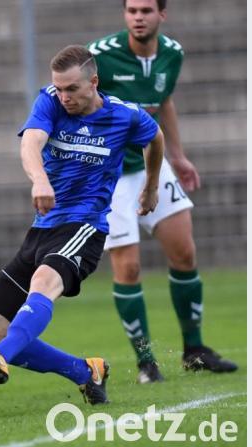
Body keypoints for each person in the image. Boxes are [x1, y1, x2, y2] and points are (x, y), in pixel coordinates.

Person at [0, 45, 164, 405]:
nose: (64, 96)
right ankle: (86, 371)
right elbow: (31, 145)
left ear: (94, 82)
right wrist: (39, 179)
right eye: (59, 88)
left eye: (72, 89)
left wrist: (150, 187)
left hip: (84, 227)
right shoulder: (50, 101)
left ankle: (3, 356)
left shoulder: (125, 116)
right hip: (42, 228)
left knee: (43, 282)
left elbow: (155, 138)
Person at [89, 0, 237, 383]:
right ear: (125, 15)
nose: (138, 17)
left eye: (146, 10)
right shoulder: (100, 57)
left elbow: (164, 101)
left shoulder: (172, 53)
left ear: (162, 15)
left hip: (153, 167)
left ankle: (195, 351)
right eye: (132, 10)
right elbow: (72, 101)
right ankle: (146, 363)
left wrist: (178, 155)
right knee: (130, 267)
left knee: (185, 252)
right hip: (110, 178)